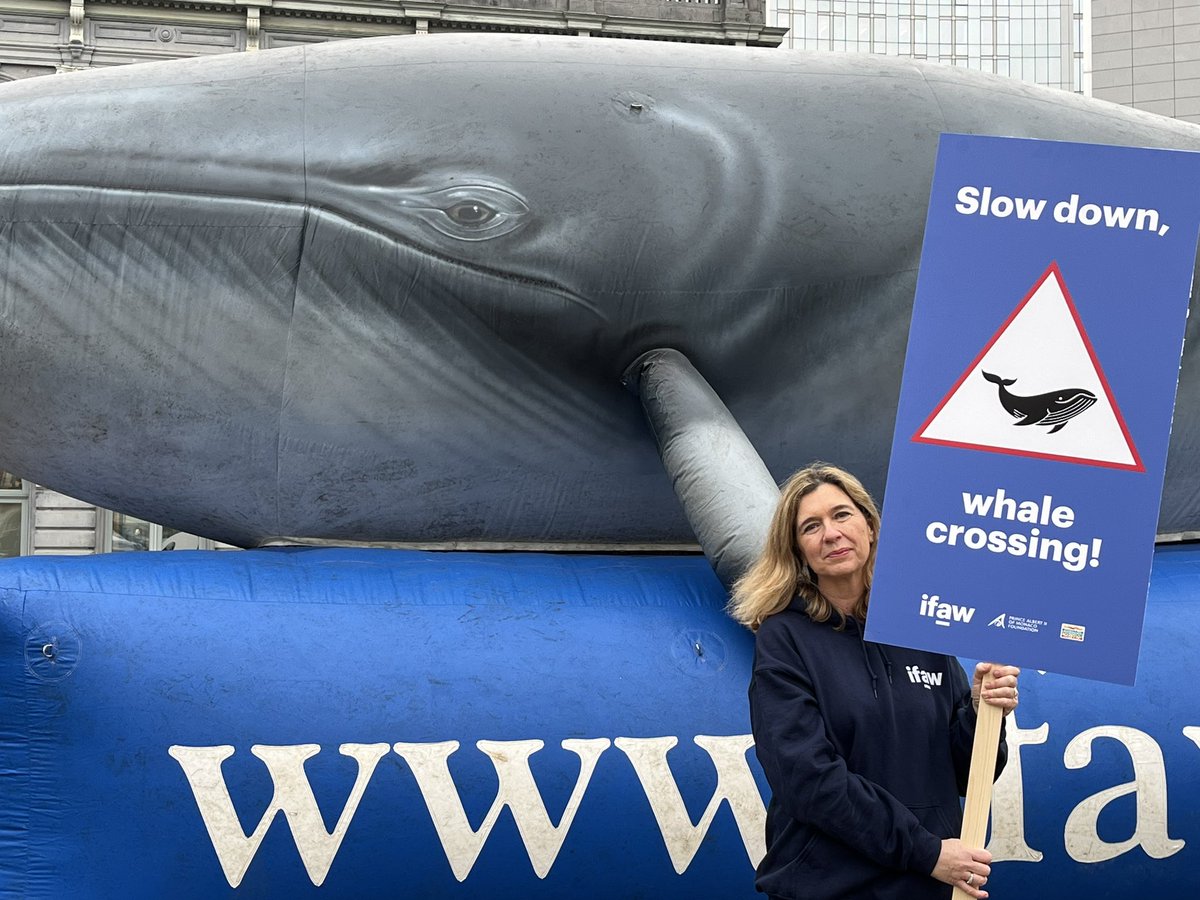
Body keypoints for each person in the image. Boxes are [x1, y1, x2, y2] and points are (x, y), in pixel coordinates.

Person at [729, 463, 1020, 900]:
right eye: (811, 526)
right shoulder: (784, 637)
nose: (831, 533)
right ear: (798, 551)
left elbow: (963, 775)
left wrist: (980, 713)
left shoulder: (918, 627)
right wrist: (926, 853)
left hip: (928, 887)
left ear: (869, 524)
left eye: (842, 515)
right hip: (832, 889)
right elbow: (808, 780)